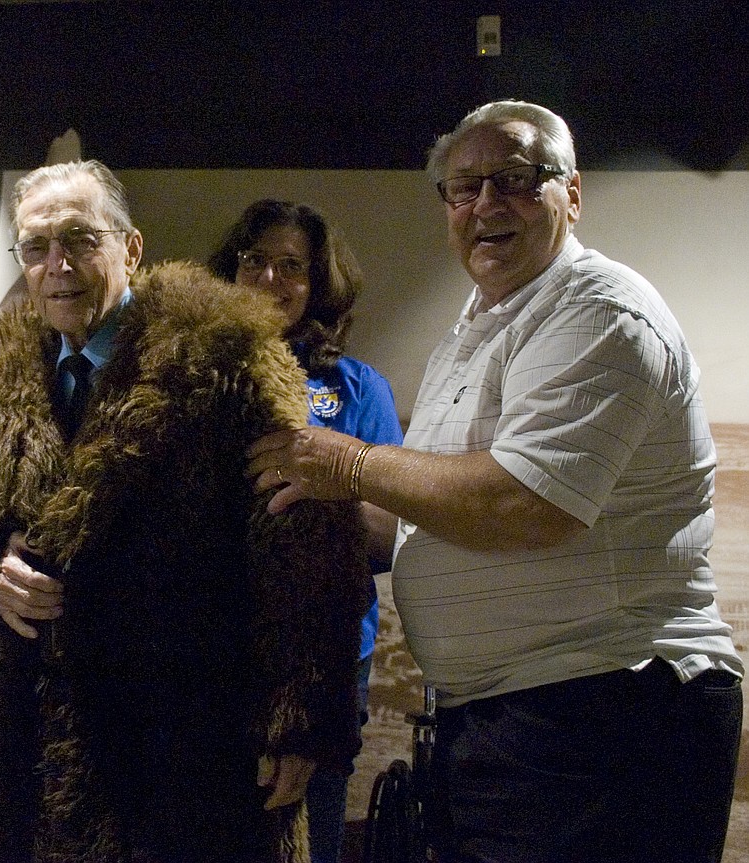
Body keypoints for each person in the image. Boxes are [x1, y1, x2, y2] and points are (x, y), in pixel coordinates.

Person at [246, 100, 744, 863]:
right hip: (513, 720)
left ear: (571, 194)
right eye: (463, 186)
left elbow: (525, 504)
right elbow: (423, 518)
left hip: (605, 714)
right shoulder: (483, 325)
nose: (485, 204)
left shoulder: (601, 313)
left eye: (514, 179)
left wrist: (344, 462)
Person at [0, 159, 370, 863]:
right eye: (36, 247)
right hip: (44, 738)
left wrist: (302, 716)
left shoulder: (224, 354)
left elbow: (306, 537)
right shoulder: (10, 376)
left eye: (79, 239)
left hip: (192, 743)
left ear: (130, 248)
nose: (58, 265)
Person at [208, 199, 402, 863]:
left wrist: (328, 477)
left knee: (302, 843)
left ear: (316, 284)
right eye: (254, 260)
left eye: (291, 265)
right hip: (204, 656)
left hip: (320, 666)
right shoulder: (188, 378)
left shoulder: (356, 388)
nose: (269, 279)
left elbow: (389, 536)